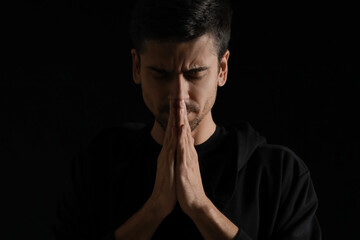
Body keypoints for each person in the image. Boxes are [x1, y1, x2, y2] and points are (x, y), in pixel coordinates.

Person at [53, 0, 322, 239]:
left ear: (222, 69)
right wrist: (154, 209)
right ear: (136, 67)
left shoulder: (280, 175)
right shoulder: (98, 166)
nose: (178, 94)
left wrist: (200, 208)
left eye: (194, 74)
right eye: (160, 73)